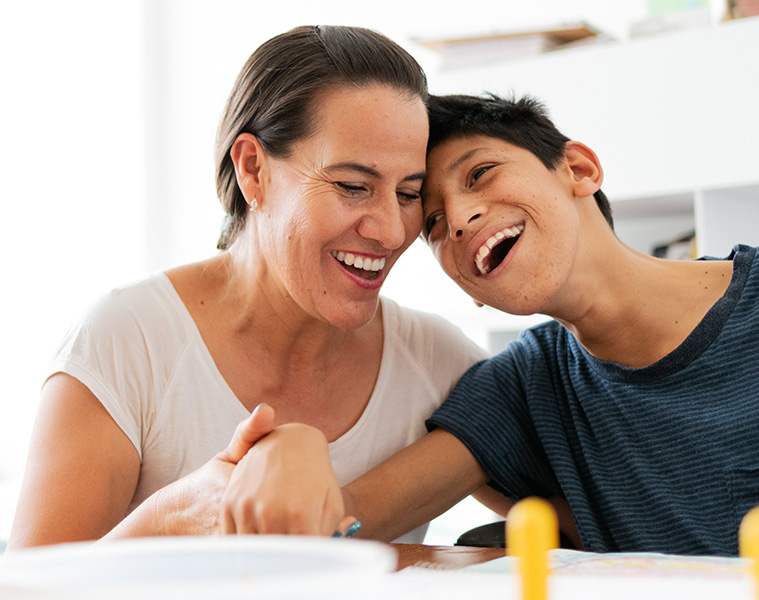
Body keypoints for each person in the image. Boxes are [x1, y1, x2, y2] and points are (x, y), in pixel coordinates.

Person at [222, 92, 759, 589]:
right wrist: (292, 446)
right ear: (467, 288)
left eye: (480, 175)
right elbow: (344, 520)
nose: (464, 218)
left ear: (579, 169)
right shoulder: (523, 386)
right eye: (436, 226)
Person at [6, 26, 486, 549]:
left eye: (409, 193)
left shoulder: (436, 362)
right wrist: (173, 516)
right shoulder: (129, 340)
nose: (393, 231)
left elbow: (572, 510)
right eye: (352, 186)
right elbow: (32, 585)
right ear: (253, 170)